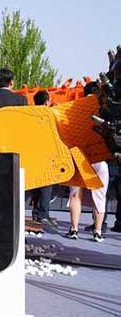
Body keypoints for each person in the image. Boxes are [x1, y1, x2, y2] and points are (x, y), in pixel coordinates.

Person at [66, 81, 108, 242]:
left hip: (79, 155)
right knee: (100, 195)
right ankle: (98, 232)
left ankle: (74, 229)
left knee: (75, 194)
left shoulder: (75, 110)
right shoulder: (104, 110)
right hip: (99, 157)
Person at [29, 90, 57, 229]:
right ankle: (43, 213)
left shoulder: (30, 115)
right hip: (47, 154)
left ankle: (36, 212)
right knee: (47, 185)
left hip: (33, 154)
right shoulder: (49, 115)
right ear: (46, 102)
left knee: (36, 185)